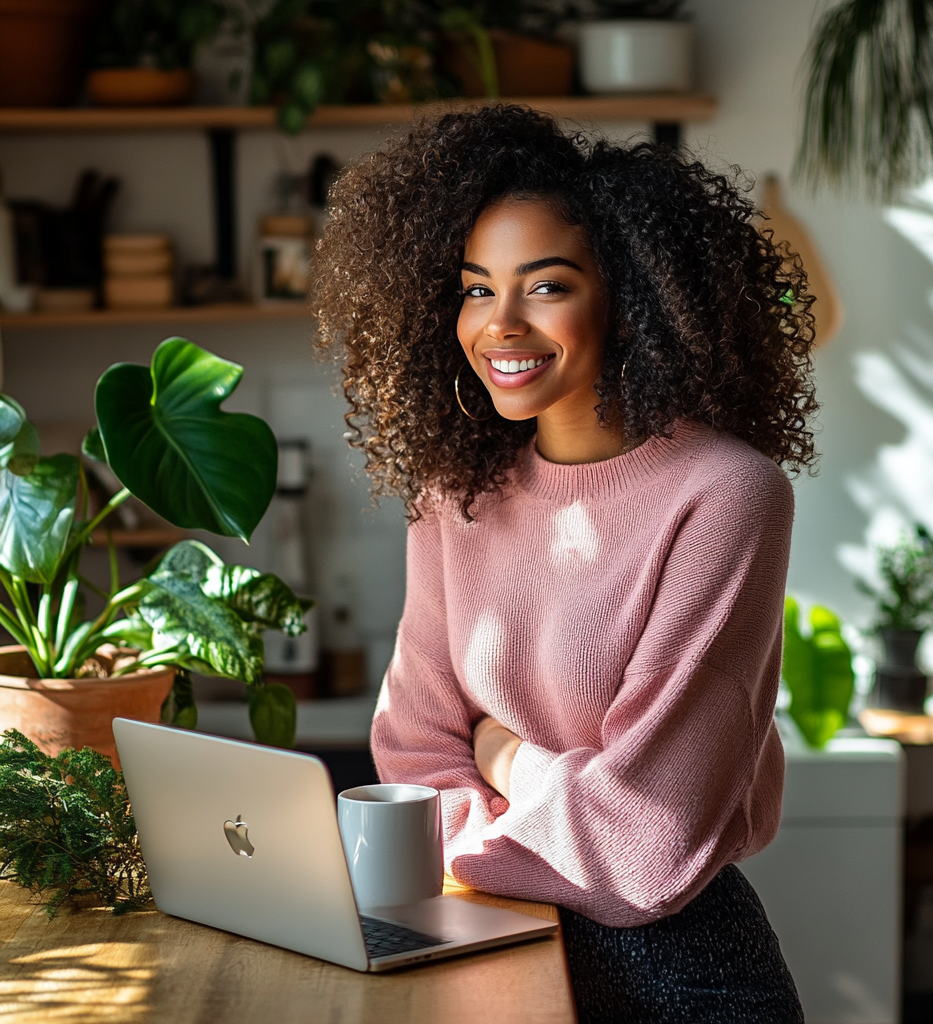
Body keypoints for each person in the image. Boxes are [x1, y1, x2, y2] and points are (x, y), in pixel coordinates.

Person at [312, 104, 817, 1024]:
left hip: (676, 975)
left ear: (629, 297)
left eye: (544, 286)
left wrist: (499, 752)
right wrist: (535, 795)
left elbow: (645, 845)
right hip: (490, 941)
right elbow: (414, 747)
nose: (499, 325)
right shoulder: (453, 491)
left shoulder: (726, 497)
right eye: (475, 288)